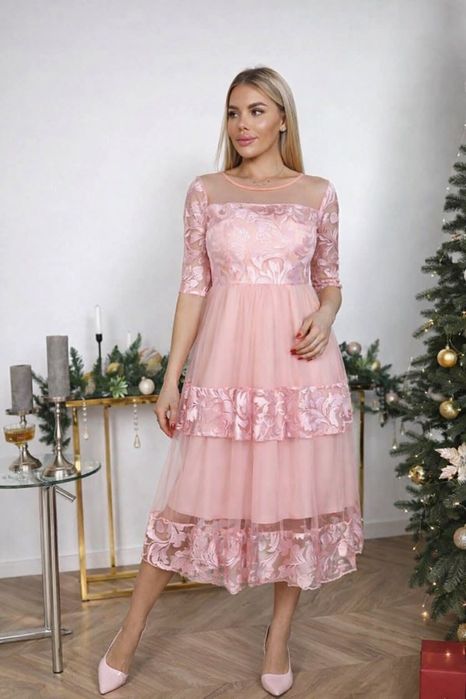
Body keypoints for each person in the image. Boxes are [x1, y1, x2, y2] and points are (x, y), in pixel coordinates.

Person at [97, 65, 364, 697]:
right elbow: (194, 288)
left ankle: (278, 638)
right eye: (233, 112)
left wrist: (326, 315)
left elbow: (329, 281)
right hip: (226, 370)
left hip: (299, 367)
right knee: (190, 498)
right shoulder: (206, 191)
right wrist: (172, 379)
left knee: (296, 503)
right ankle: (128, 634)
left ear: (282, 119)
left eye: (256, 111)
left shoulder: (318, 192)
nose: (242, 124)